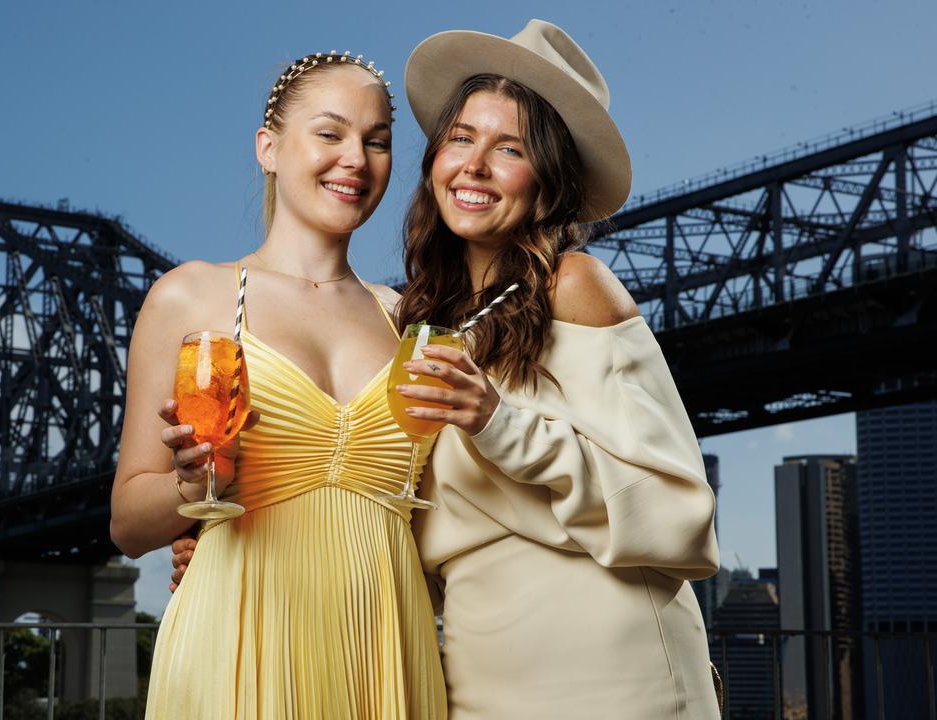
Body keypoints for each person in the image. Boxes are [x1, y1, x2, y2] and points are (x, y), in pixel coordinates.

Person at [174, 21, 723, 719]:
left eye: (512, 148)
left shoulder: (575, 286)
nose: (475, 166)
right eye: (462, 139)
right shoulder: (420, 321)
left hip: (608, 667)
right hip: (475, 674)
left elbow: (680, 517)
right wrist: (232, 552)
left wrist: (498, 423)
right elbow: (397, 505)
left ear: (550, 181)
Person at [110, 50, 446, 718]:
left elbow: (435, 522)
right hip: (237, 645)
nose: (357, 157)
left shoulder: (410, 320)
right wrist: (190, 487)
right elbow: (126, 525)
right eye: (330, 133)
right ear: (268, 148)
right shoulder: (191, 297)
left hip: (385, 650)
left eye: (377, 141)